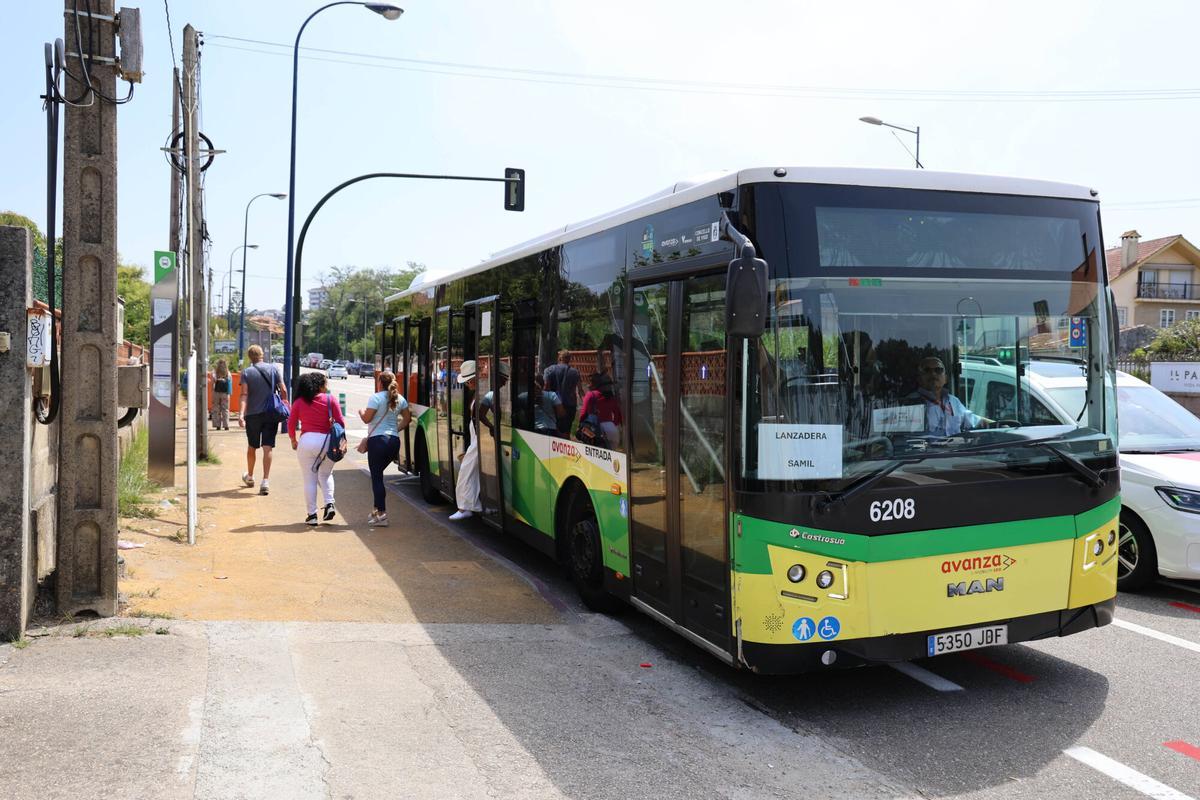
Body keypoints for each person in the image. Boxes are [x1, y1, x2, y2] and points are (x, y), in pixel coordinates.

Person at [287, 371, 346, 526]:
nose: (327, 386)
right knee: (326, 475)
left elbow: (291, 423)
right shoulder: (330, 399)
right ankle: (329, 503)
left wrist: (293, 440)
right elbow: (341, 423)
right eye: (325, 383)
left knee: (309, 480)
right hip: (327, 442)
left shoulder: (299, 402)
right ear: (319, 385)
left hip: (306, 441)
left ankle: (312, 515)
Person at [359, 370, 412, 527]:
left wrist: (361, 412)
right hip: (393, 442)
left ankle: (382, 514)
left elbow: (366, 418)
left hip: (378, 442)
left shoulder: (375, 398)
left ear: (380, 383)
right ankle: (377, 511)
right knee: (378, 475)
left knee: (377, 478)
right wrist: (395, 429)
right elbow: (407, 419)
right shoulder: (400, 399)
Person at [238, 345, 288, 495]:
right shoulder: (273, 369)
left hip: (252, 415)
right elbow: (283, 390)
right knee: (268, 447)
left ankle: (250, 476)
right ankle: (265, 481)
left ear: (249, 357)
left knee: (252, 446)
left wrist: (241, 414)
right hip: (271, 413)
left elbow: (244, 394)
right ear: (262, 355)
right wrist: (284, 404)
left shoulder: (247, 372)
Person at [909, 356, 990, 436]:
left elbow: (973, 421)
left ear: (946, 379)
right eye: (927, 370)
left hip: (954, 445)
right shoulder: (910, 403)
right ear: (919, 379)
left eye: (938, 370)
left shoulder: (953, 401)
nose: (933, 374)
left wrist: (994, 425)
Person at [450, 360, 482, 521]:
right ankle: (469, 505)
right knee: (469, 471)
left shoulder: (480, 395)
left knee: (466, 471)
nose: (468, 385)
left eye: (469, 381)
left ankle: (465, 507)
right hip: (477, 437)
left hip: (479, 439)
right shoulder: (478, 394)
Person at [543, 349, 583, 435]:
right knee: (566, 432)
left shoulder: (549, 370)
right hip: (570, 405)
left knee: (553, 431)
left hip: (554, 405)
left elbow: (546, 387)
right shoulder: (575, 372)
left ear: (559, 358)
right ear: (569, 359)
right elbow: (580, 390)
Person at [580, 371, 623, 445]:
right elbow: (617, 414)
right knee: (611, 451)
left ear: (595, 384)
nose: (588, 385)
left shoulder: (590, 395)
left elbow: (583, 413)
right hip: (611, 429)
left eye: (590, 382)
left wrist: (581, 426)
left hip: (595, 428)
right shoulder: (611, 397)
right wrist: (612, 425)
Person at [211, 359, 231, 430]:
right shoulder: (228, 373)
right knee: (225, 409)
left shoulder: (214, 372)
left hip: (216, 392)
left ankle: (217, 425)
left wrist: (212, 391)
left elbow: (213, 382)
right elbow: (229, 383)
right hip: (225, 393)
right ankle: (226, 425)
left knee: (216, 408)